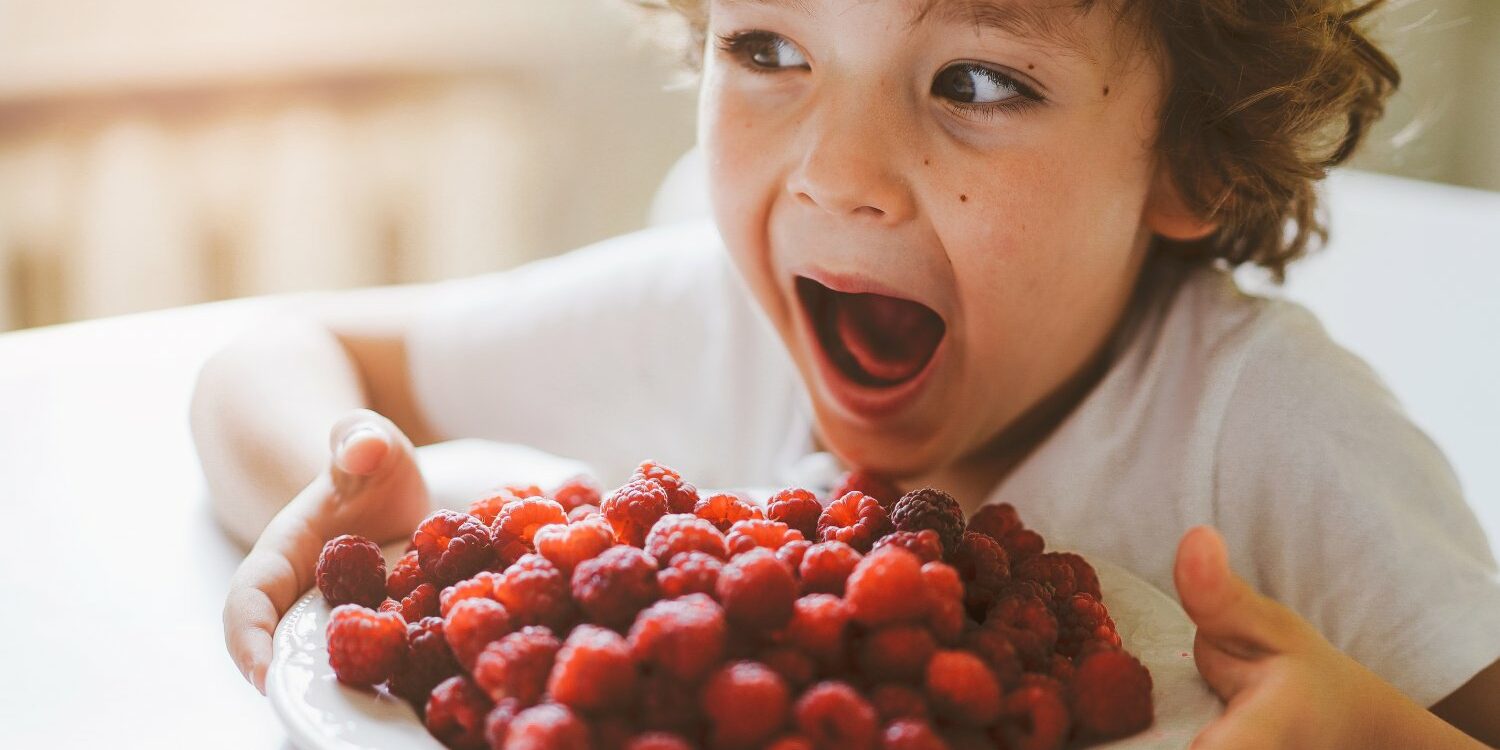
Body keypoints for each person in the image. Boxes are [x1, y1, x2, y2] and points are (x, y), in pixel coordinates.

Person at [194, 0, 1500, 746]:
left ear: (1192, 159)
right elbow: (277, 351)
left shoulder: (1271, 432)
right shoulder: (703, 318)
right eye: (768, 49)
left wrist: (1377, 735)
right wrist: (352, 477)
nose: (838, 173)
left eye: (977, 79)